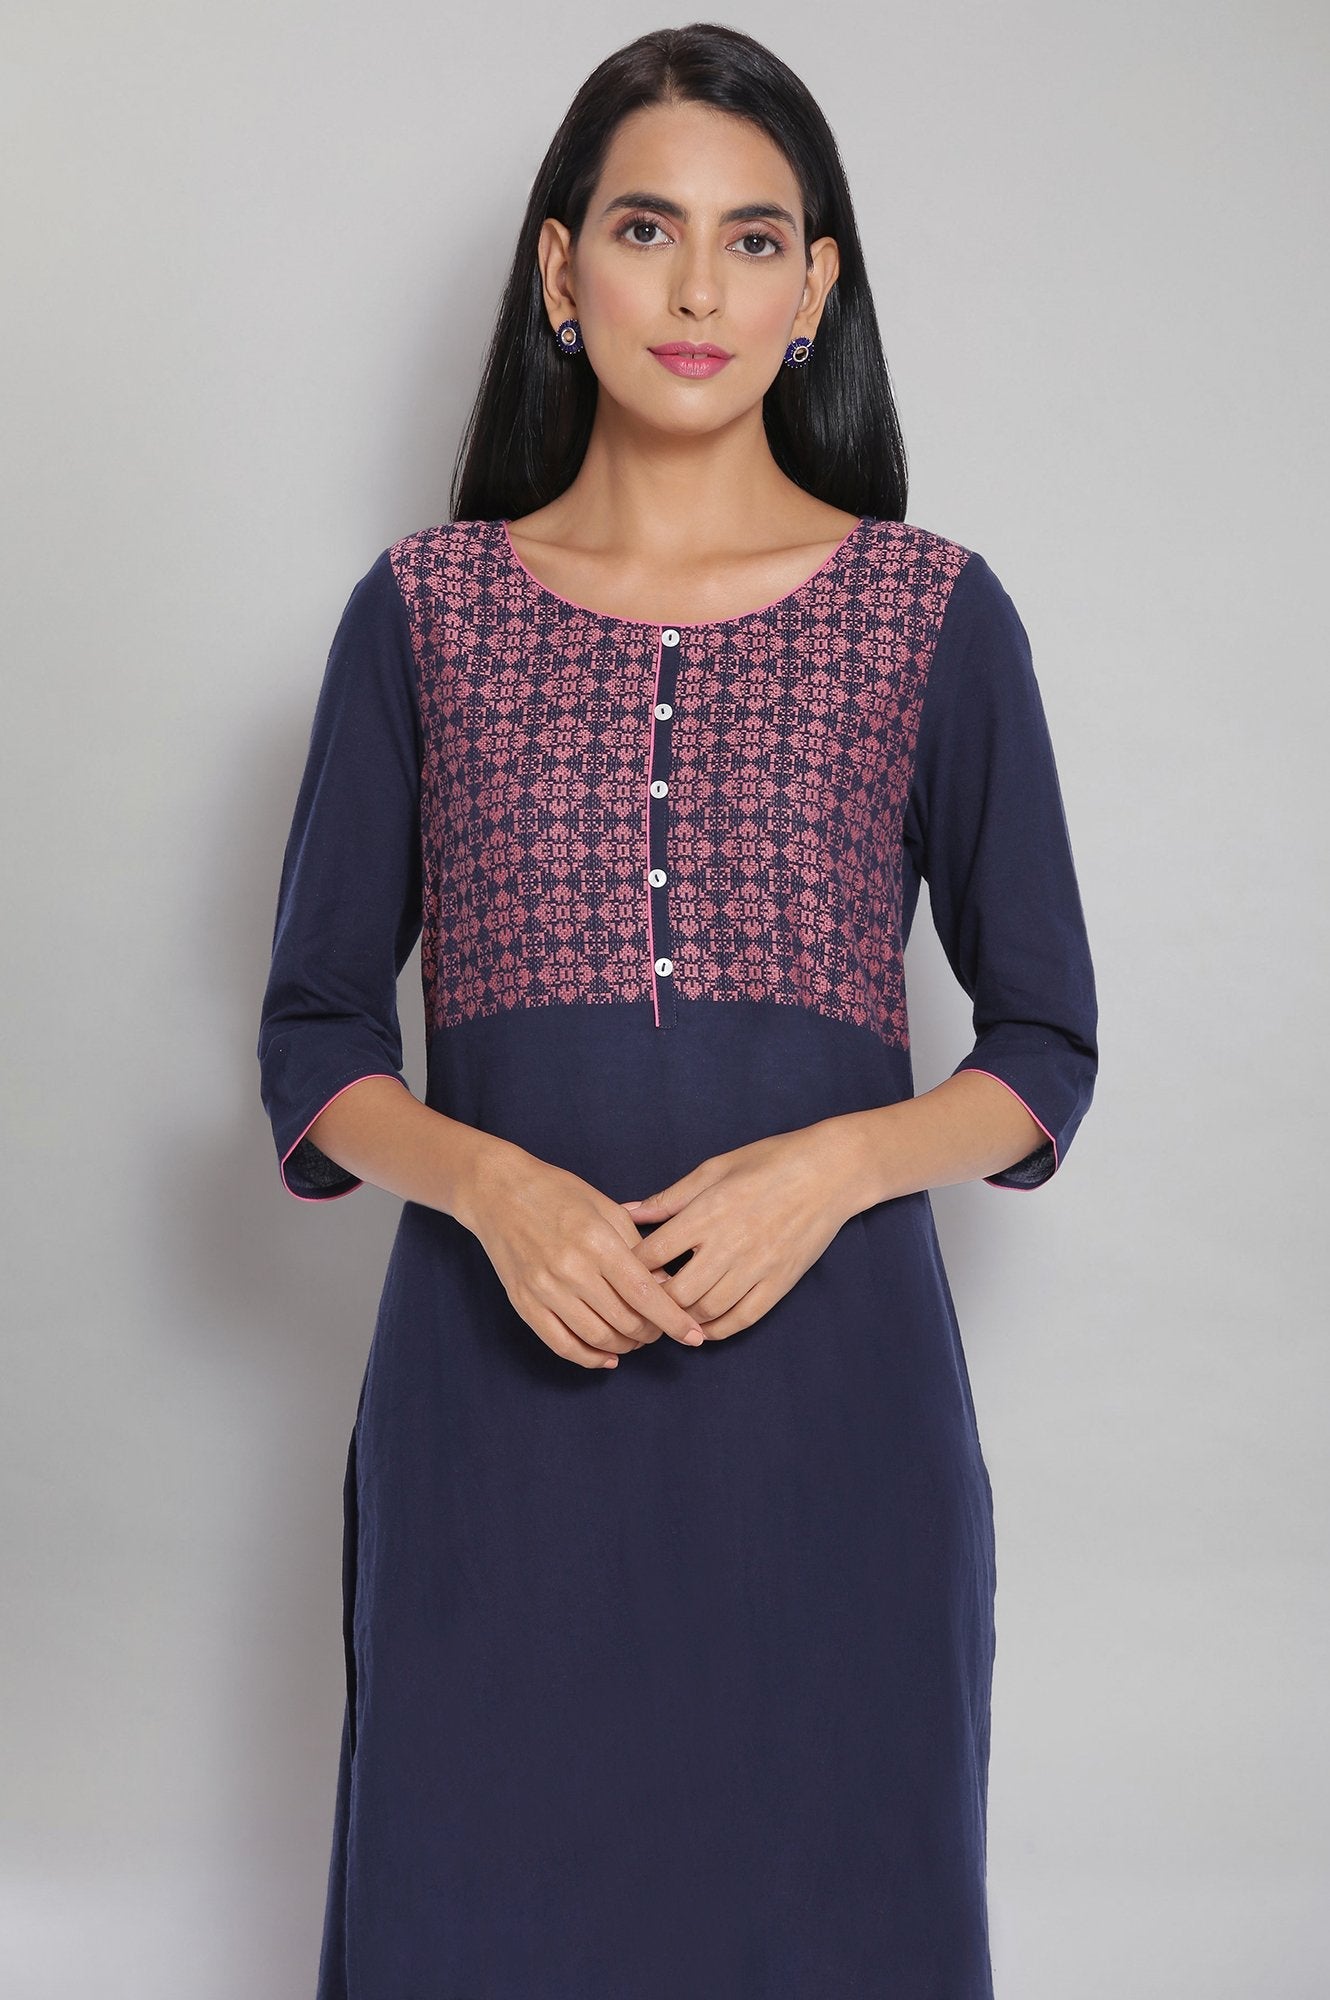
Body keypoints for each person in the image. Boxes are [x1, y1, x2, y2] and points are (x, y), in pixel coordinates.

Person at [257, 21, 1098, 1997]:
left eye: (753, 239)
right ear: (562, 273)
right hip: (492, 1429)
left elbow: (1043, 1043)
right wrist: (492, 1190)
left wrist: (834, 1169)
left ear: (816, 291)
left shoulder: (931, 614)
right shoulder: (422, 612)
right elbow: (312, 1033)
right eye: (646, 229)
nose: (698, 289)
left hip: (832, 1439)